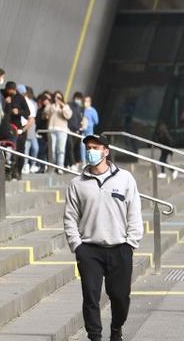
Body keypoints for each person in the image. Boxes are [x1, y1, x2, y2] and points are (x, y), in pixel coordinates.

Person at [64, 134, 142, 341]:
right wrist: (77, 245)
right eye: (88, 147)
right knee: (90, 296)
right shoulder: (77, 183)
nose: (91, 151)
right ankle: (95, 336)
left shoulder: (125, 178)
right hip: (89, 249)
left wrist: (130, 243)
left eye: (96, 147)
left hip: (120, 248)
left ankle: (116, 328)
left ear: (106, 151)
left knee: (120, 297)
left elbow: (134, 212)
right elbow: (70, 217)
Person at [44, 91, 72, 173]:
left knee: (61, 149)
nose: (57, 99)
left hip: (62, 130)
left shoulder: (65, 106)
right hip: (52, 129)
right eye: (56, 97)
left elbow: (68, 116)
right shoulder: (50, 106)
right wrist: (54, 107)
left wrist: (63, 107)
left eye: (59, 97)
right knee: (52, 149)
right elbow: (46, 113)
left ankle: (60, 167)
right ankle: (52, 166)